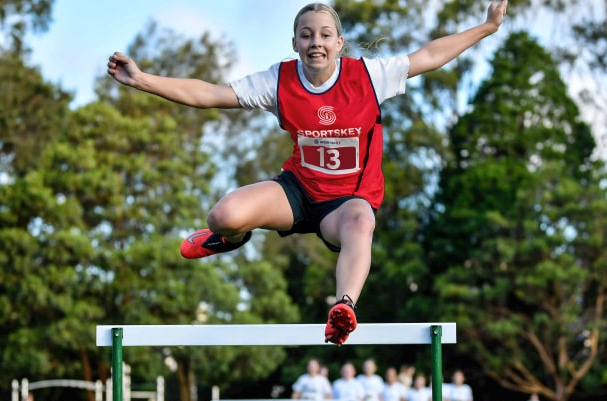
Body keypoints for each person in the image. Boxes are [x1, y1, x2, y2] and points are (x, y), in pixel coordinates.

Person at [107, 1, 508, 346]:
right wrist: (142, 80)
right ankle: (231, 237)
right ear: (295, 43)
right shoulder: (278, 81)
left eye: (324, 34)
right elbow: (210, 94)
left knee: (361, 221)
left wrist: (487, 27)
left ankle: (343, 308)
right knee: (222, 216)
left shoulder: (369, 76)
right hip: (298, 192)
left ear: (339, 43)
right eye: (306, 35)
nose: (315, 42)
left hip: (346, 203)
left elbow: (430, 55)